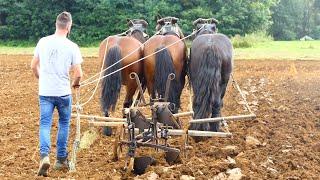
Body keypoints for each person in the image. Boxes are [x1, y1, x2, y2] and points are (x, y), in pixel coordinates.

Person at [30, 11, 83, 177]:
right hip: (63, 93)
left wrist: (41, 79)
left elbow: (33, 65)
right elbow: (79, 73)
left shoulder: (43, 42)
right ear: (69, 26)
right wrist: (75, 83)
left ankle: (44, 156)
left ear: (56, 24)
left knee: (45, 124)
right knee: (64, 123)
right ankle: (60, 159)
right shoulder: (72, 46)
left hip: (45, 92)